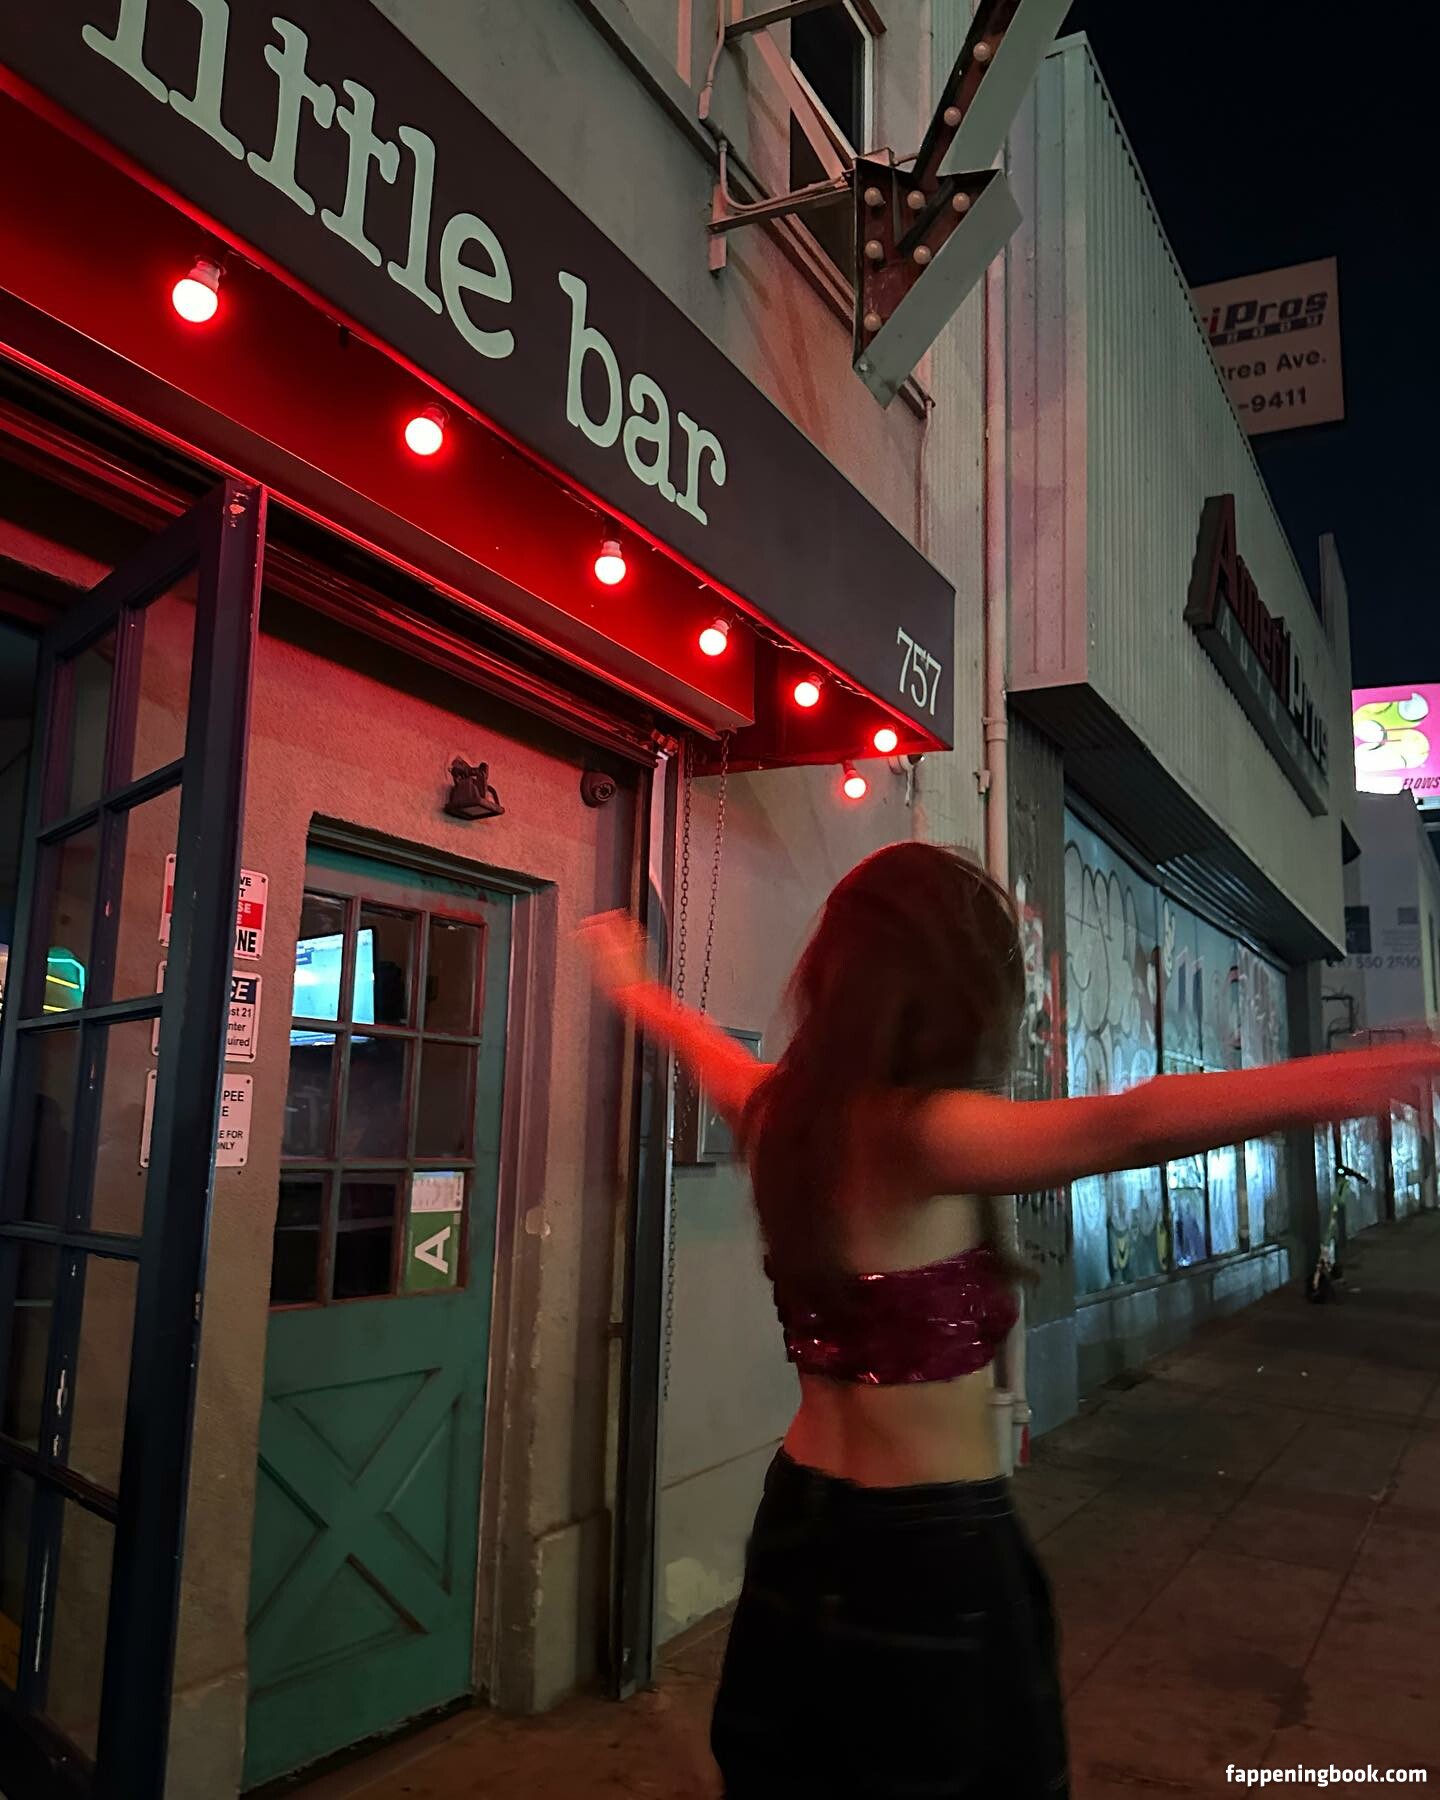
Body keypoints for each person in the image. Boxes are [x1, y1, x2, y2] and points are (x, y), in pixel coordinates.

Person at [580, 842, 1440, 1799]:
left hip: (799, 1517)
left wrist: (634, 984)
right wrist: (1353, 1077)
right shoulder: (924, 1134)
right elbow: (1131, 1122)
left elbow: (703, 1045)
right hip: (927, 1545)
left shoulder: (780, 1115)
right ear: (961, 995)